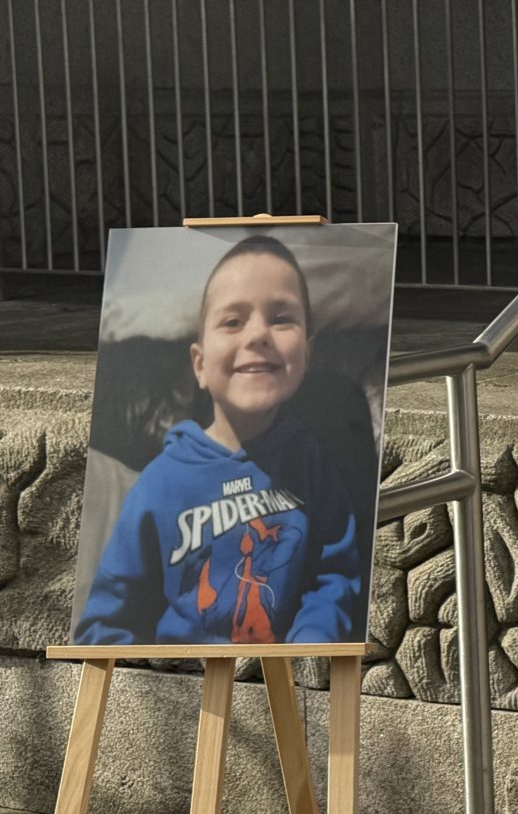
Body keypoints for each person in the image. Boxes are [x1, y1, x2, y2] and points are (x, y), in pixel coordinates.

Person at [73, 235, 363, 648]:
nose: (258, 334)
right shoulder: (161, 484)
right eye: (232, 321)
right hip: (185, 688)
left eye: (281, 318)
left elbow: (332, 577)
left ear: (307, 354)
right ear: (200, 365)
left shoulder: (312, 461)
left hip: (284, 682)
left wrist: (309, 649)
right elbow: (108, 621)